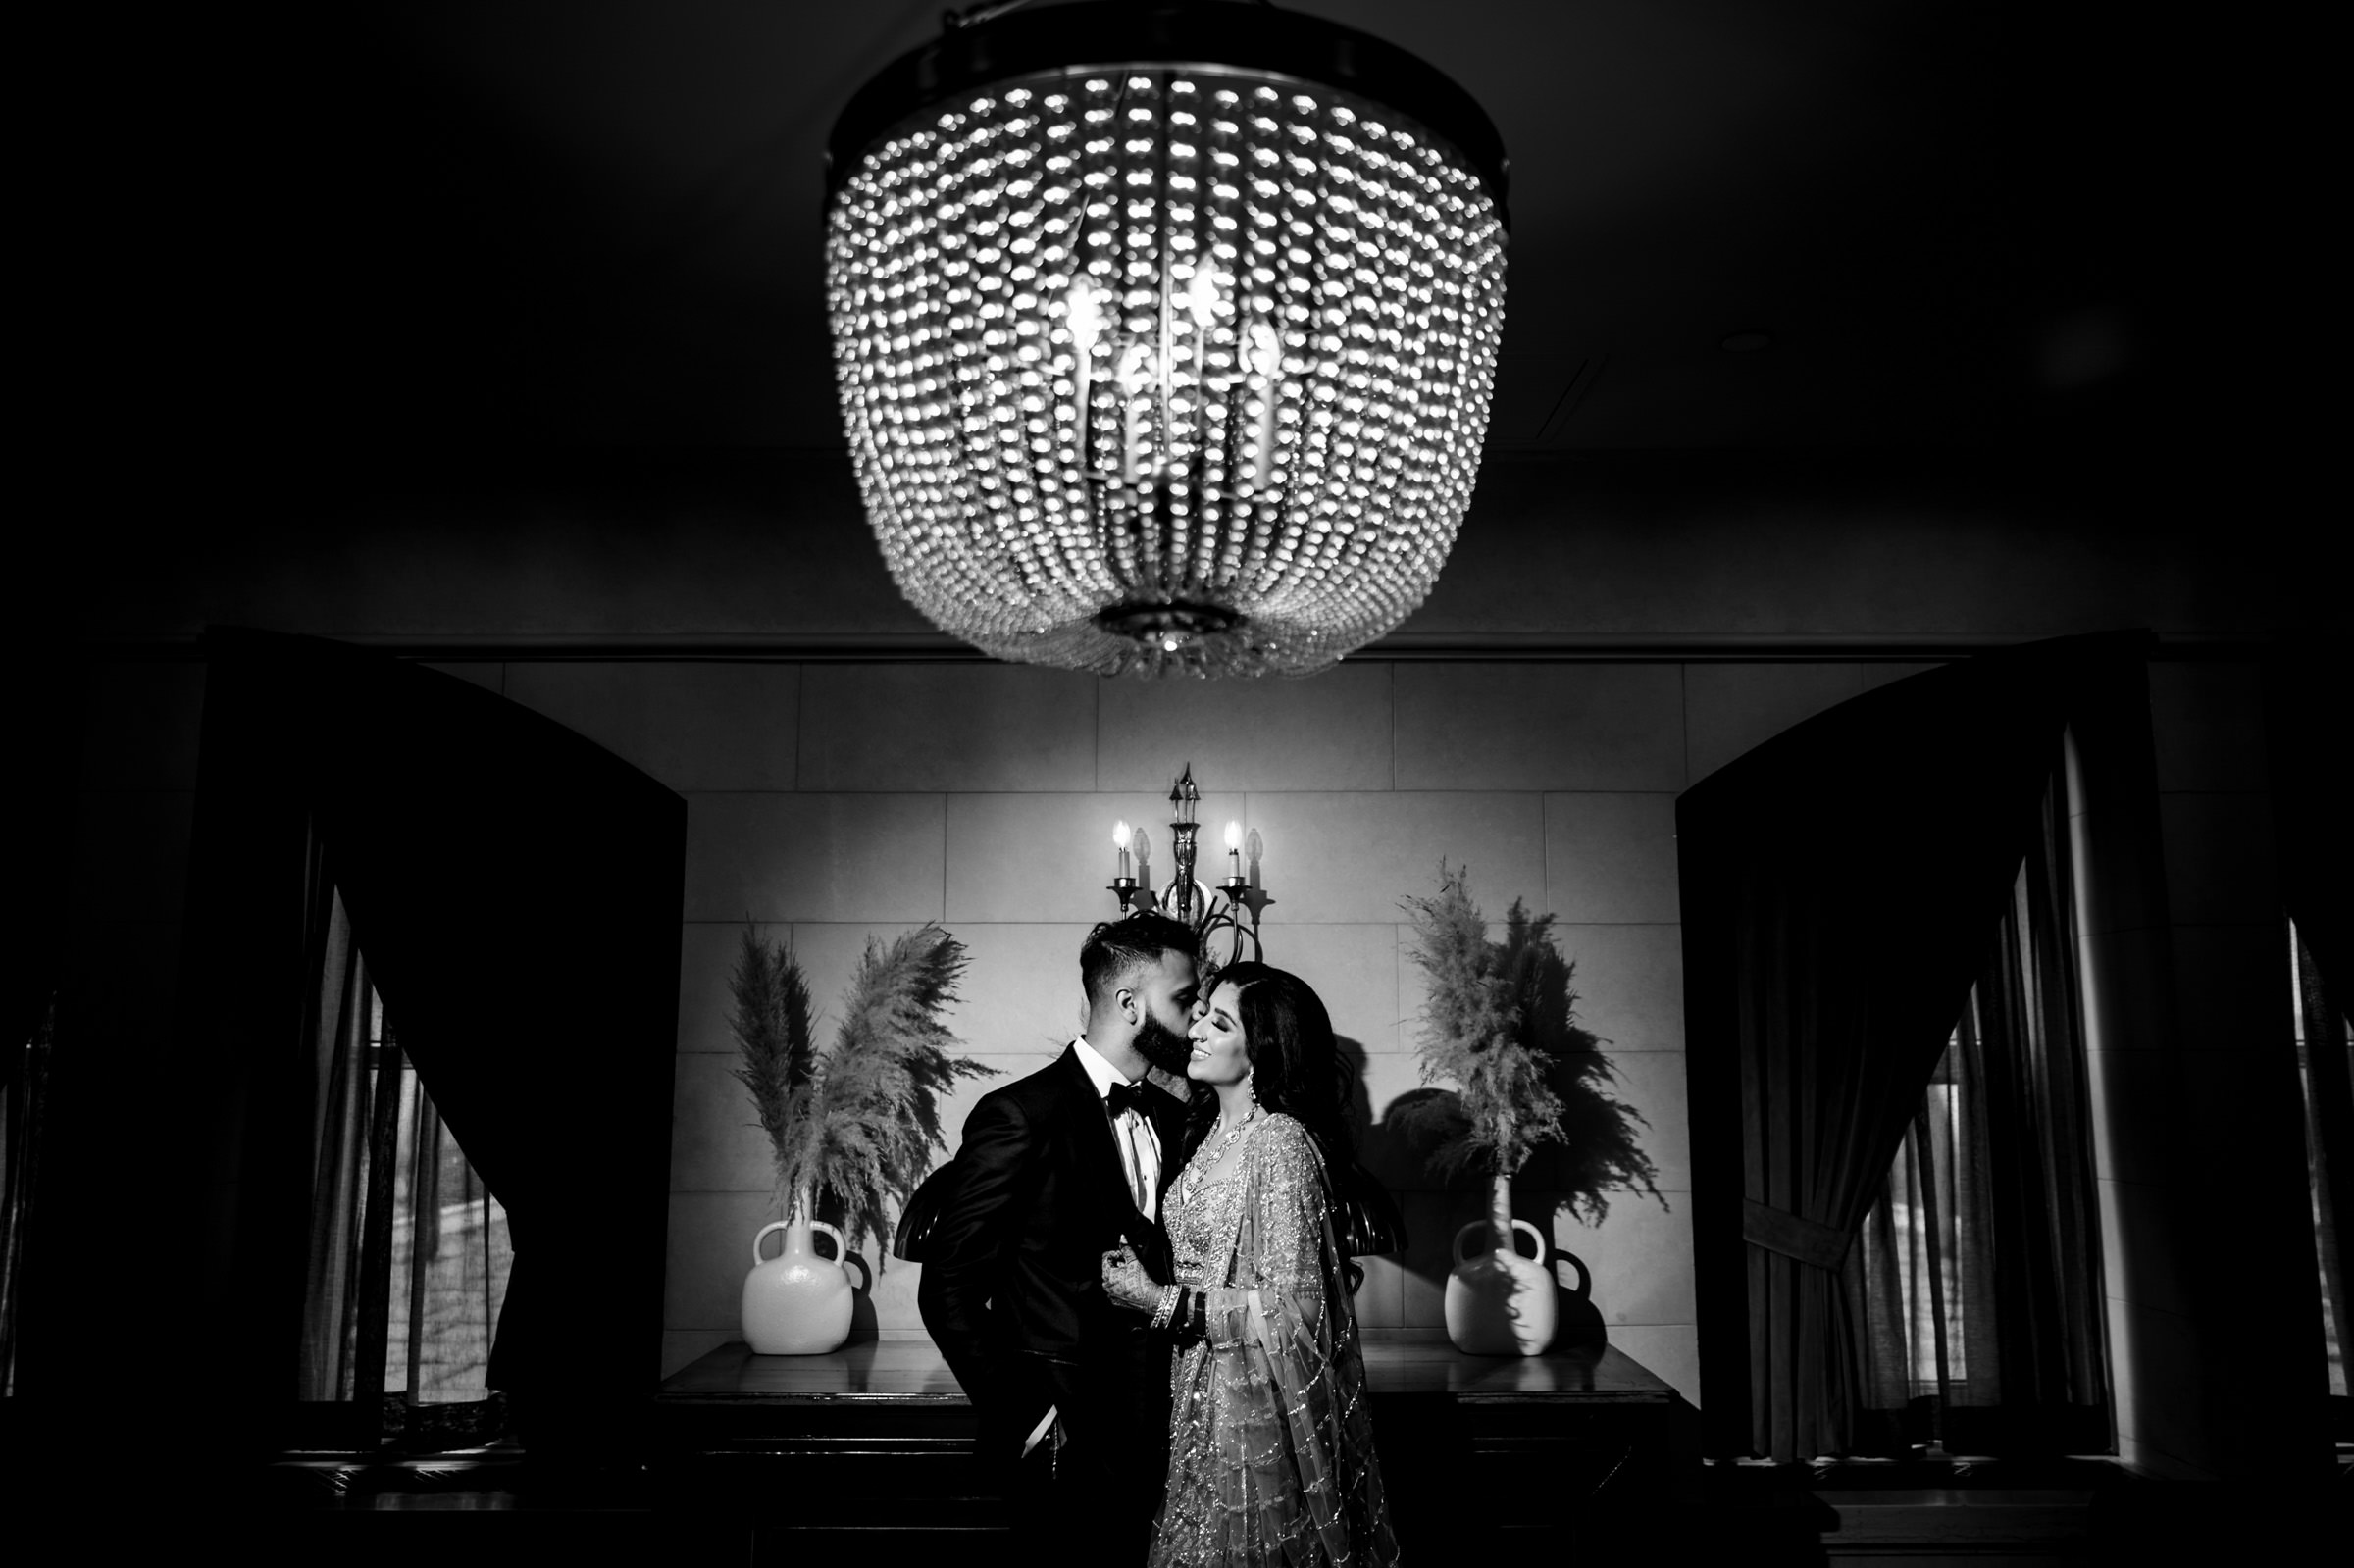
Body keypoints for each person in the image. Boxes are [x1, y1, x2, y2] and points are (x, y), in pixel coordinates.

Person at [917, 914, 1201, 1555]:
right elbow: (947, 1288)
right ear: (1130, 1003)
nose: (1195, 1015)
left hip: (1166, 1440)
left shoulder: (1174, 1115)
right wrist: (1033, 1418)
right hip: (1062, 1448)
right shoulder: (1020, 1115)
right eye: (1183, 998)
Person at [1103, 961, 1400, 1566]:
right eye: (1201, 1015)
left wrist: (1161, 1301)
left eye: (1220, 1022)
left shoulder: (1280, 1143)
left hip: (1252, 1409)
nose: (1196, 1031)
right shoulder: (1211, 1131)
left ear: (1262, 1048)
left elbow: (1299, 1310)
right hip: (1192, 1393)